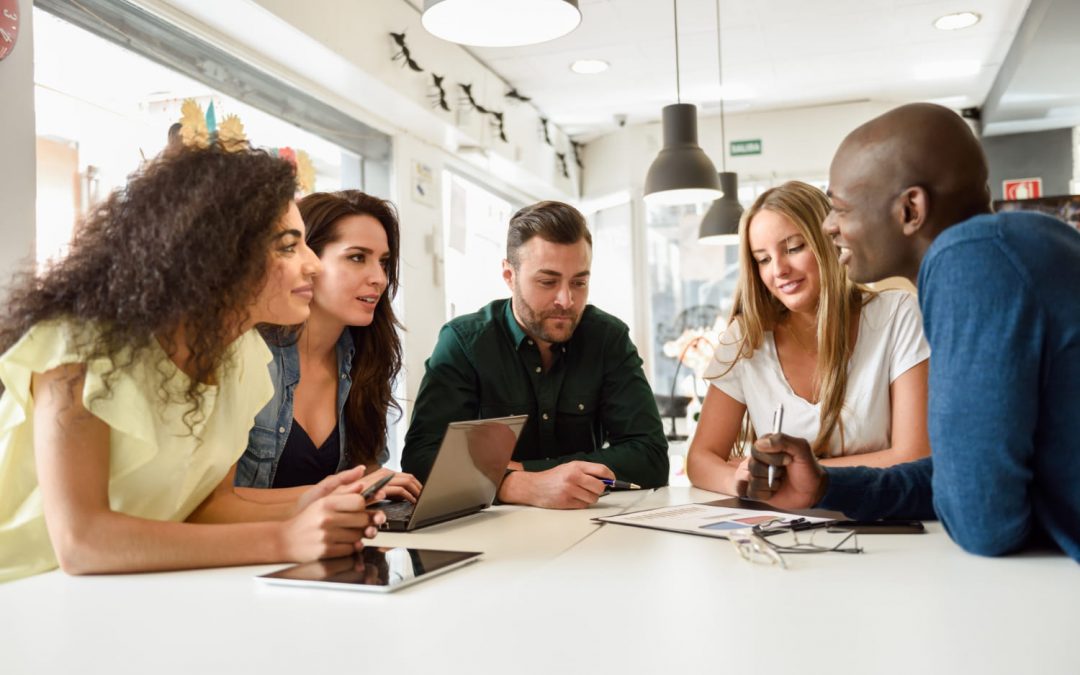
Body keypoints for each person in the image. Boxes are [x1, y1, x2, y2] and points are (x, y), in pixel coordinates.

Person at [0, 145, 386, 583]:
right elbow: (82, 542)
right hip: (20, 593)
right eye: (288, 247)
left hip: (126, 588)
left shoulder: (243, 356)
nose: (313, 266)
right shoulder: (77, 347)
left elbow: (207, 507)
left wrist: (315, 502)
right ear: (218, 256)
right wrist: (284, 538)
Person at [746, 103, 1080, 561]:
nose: (829, 227)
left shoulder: (970, 260)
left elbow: (983, 521)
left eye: (840, 208)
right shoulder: (1026, 239)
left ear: (910, 209)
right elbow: (958, 477)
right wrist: (824, 484)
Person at [401, 201, 668, 509]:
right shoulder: (465, 343)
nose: (566, 300)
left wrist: (525, 470)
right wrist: (517, 485)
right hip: (493, 539)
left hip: (589, 531)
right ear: (508, 275)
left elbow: (650, 457)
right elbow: (421, 460)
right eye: (547, 282)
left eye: (579, 282)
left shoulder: (607, 338)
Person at [687, 181, 930, 497]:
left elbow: (914, 457)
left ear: (828, 240)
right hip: (784, 529)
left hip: (882, 520)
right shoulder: (745, 338)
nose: (779, 270)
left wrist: (798, 475)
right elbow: (700, 459)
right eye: (763, 259)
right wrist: (739, 480)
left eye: (793, 248)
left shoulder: (898, 315)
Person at [233, 191, 421, 502]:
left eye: (384, 262)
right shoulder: (249, 354)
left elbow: (364, 474)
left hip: (327, 545)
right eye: (357, 257)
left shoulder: (366, 358)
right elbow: (212, 504)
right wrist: (345, 493)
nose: (379, 278)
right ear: (306, 260)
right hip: (247, 548)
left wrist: (378, 486)